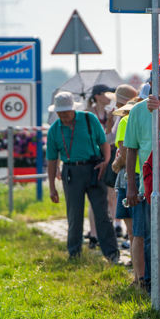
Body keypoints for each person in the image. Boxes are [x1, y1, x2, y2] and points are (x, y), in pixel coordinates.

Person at [124, 65, 160, 292]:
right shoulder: (138, 111)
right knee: (148, 234)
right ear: (152, 85)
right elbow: (130, 150)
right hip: (148, 182)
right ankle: (149, 279)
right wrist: (130, 186)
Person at [46, 92, 119, 262]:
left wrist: (106, 162)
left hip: (94, 169)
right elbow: (51, 160)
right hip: (70, 172)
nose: (63, 115)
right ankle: (74, 254)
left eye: (66, 111)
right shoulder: (54, 130)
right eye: (60, 111)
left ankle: (111, 254)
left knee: (102, 213)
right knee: (74, 215)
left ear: (73, 108)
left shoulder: (89, 119)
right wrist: (51, 187)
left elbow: (104, 143)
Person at [83, 84, 117, 248]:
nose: (109, 96)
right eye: (106, 93)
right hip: (95, 157)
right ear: (97, 96)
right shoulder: (88, 113)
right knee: (95, 198)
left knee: (111, 196)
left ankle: (115, 228)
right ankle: (94, 234)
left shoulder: (112, 112)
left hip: (110, 156)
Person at [106, 85, 137, 238]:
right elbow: (110, 138)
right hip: (129, 170)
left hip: (126, 172)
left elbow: (123, 151)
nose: (116, 104)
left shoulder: (124, 119)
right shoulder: (121, 118)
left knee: (132, 228)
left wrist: (116, 165)